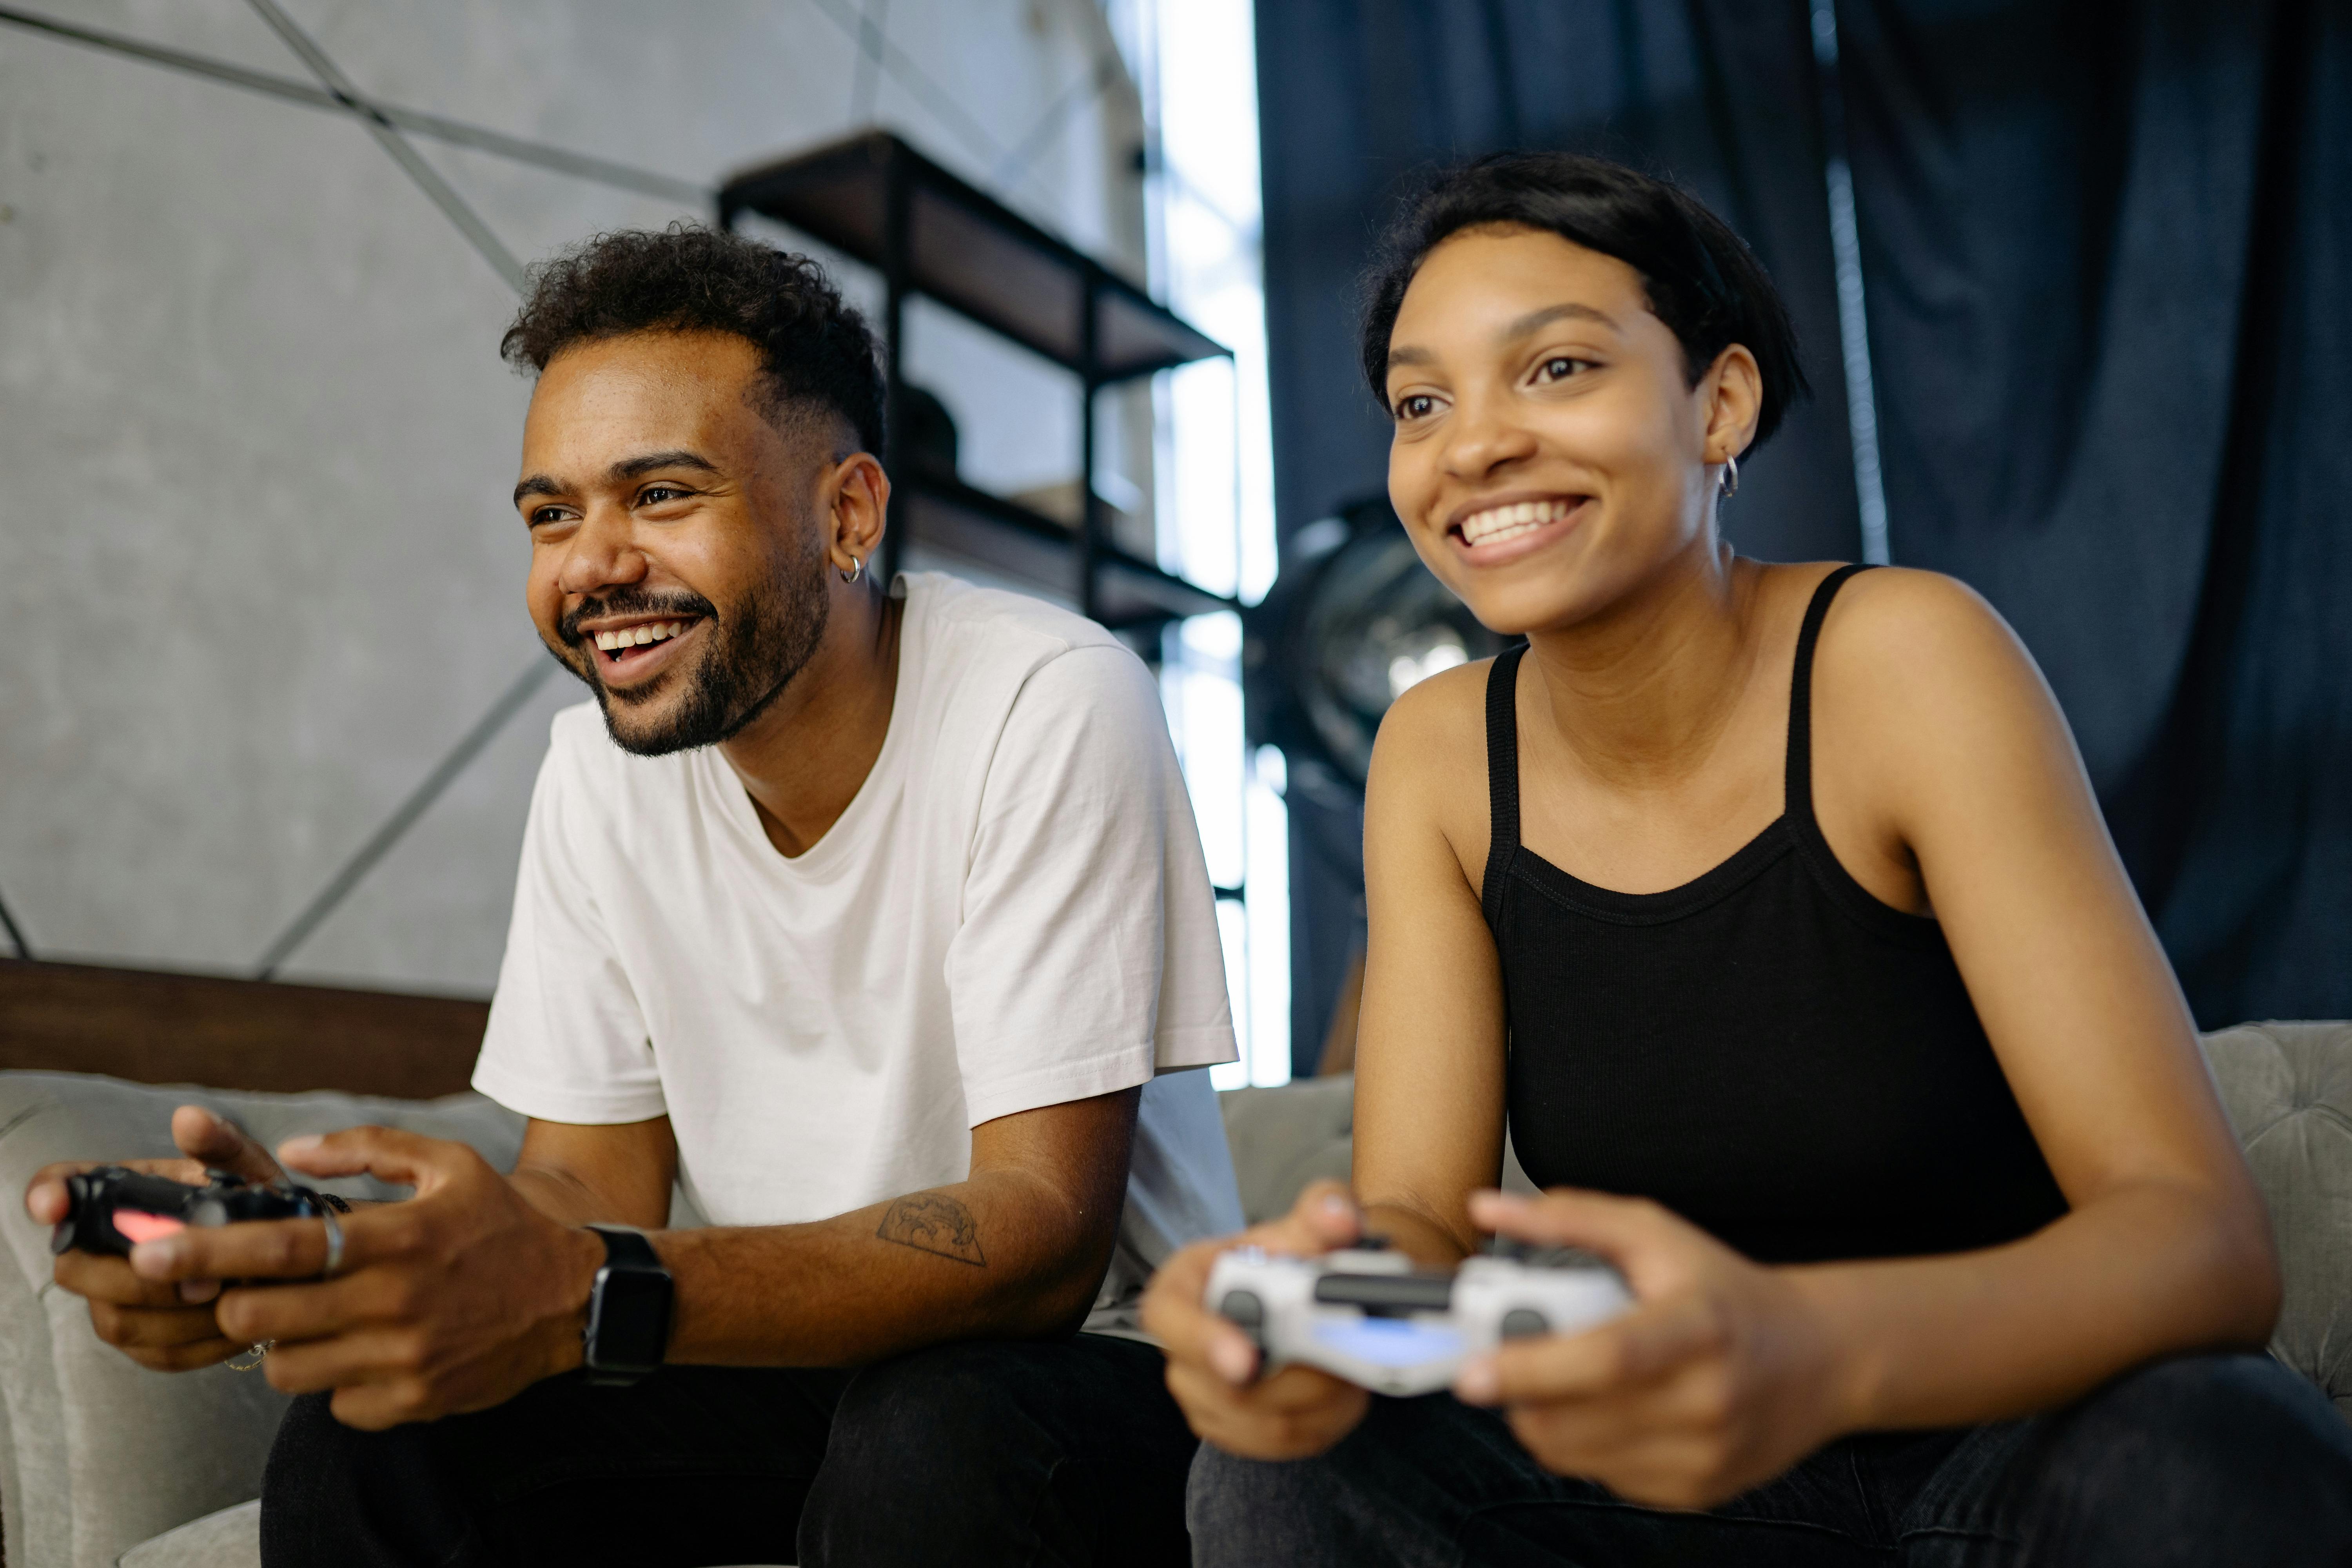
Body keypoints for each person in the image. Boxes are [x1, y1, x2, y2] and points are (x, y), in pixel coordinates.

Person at [1142, 152, 2352, 1566]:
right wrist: (1300, 1319)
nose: (1470, 447)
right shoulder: (1439, 753)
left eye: (1556, 369)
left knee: (2213, 1459)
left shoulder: (1907, 661)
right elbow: (1423, 1226)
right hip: (1684, 1479)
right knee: (1273, 1481)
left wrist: (1811, 1352)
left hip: (2012, 1443)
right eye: (1422, 402)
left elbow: (2203, 1245)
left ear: (1720, 402)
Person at [25, 225, 1245, 1568]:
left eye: (660, 496)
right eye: (554, 513)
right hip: (789, 1356)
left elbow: (1040, 1241)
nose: (591, 566)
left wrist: (597, 1289)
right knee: (380, 1440)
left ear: (848, 513)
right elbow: (585, 1181)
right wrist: (332, 1256)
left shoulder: (1045, 700)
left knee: (930, 1435)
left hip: (1107, 1371)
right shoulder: (598, 773)